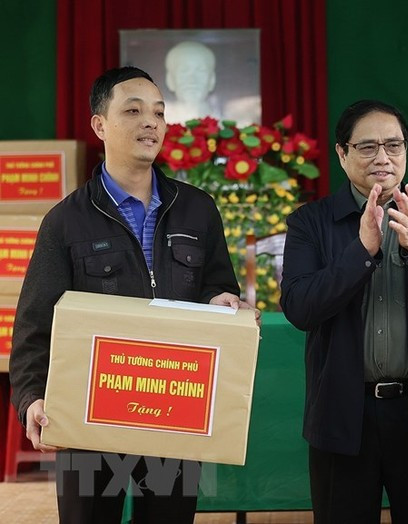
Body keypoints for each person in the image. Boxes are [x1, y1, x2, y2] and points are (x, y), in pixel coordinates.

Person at [9, 66, 256, 524]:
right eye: (134, 111)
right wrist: (31, 398)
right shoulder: (65, 222)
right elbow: (33, 325)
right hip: (89, 420)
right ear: (99, 125)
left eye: (159, 113)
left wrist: (222, 302)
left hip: (174, 412)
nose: (151, 122)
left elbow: (218, 286)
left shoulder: (198, 209)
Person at [280, 99, 408, 523]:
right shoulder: (310, 222)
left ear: (406, 151)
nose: (383, 157)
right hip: (343, 417)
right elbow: (299, 307)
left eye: (394, 145)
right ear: (342, 153)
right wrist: (361, 250)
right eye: (367, 147)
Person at [164, 41, 218, 123]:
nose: (192, 80)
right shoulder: (156, 126)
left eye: (200, 71)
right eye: (184, 71)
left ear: (212, 80)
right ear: (170, 79)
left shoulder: (227, 124)